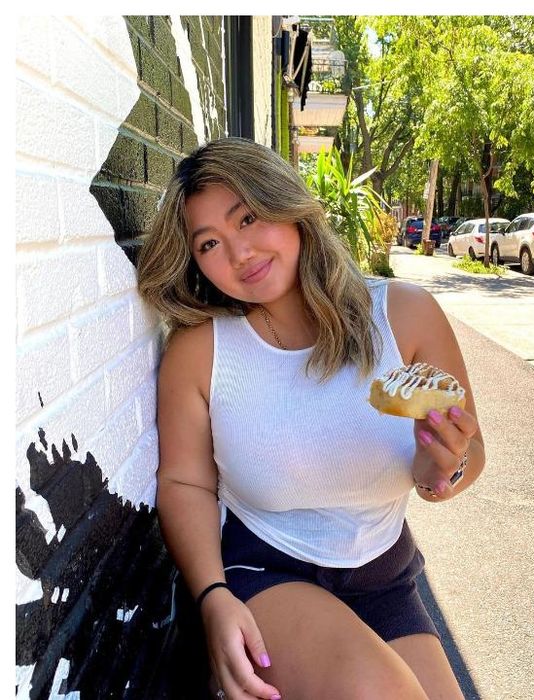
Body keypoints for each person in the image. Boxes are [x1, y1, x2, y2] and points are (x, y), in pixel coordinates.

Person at [137, 137, 482, 700]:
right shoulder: (200, 352)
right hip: (264, 569)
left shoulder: (404, 317)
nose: (239, 252)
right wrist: (212, 596)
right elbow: (184, 482)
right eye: (209, 243)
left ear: (287, 204)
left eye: (248, 218)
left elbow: (467, 456)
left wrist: (441, 469)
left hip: (383, 572)